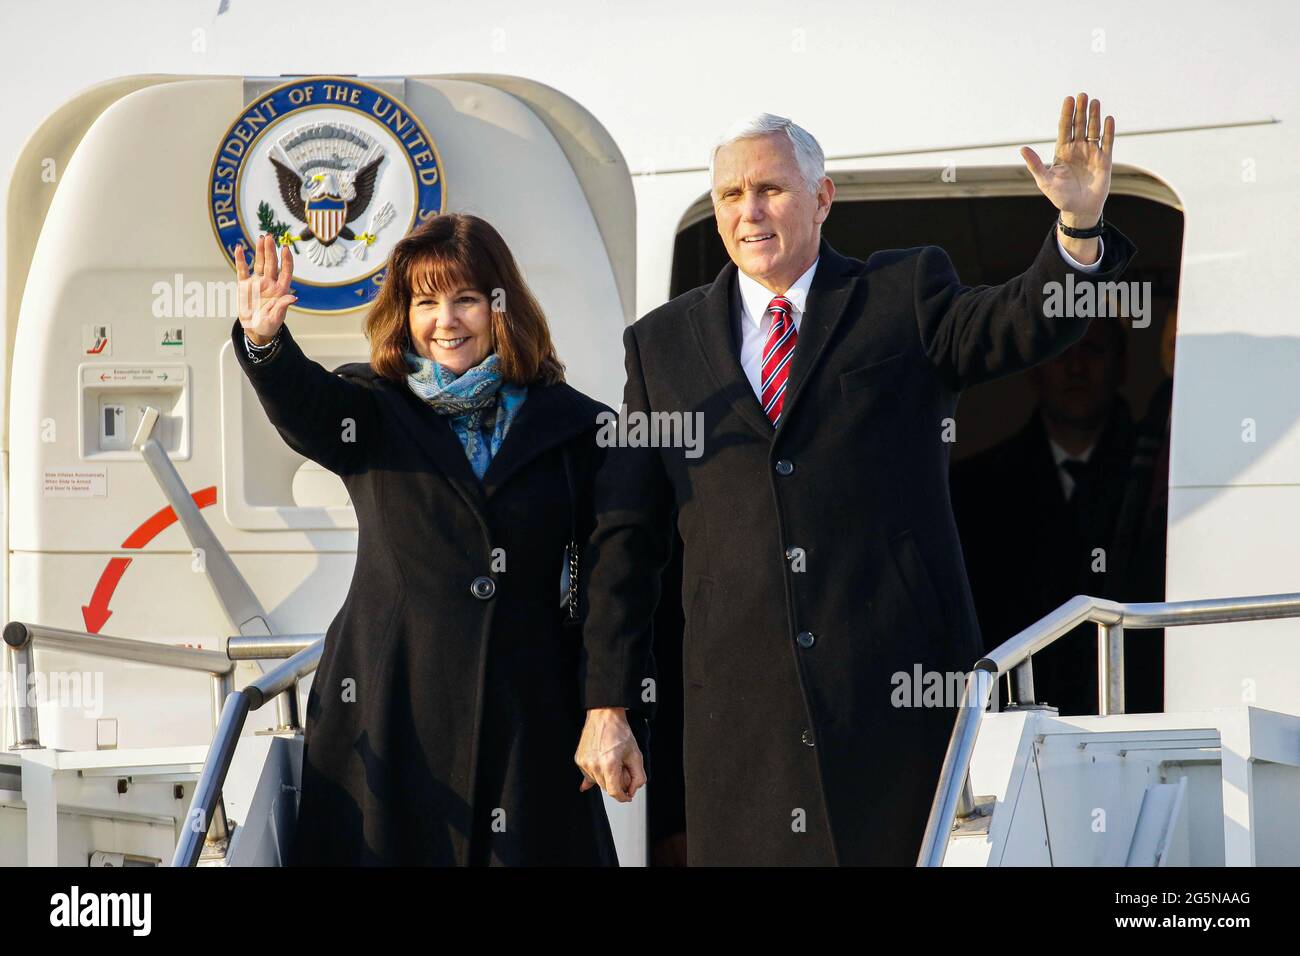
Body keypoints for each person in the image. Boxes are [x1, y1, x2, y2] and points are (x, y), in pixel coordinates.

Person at [575, 93, 1138, 865]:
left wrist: (1076, 232)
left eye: (770, 188)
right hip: (742, 723)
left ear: (822, 197)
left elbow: (1021, 322)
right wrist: (608, 701)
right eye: (731, 195)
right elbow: (626, 538)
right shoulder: (663, 346)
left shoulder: (900, 295)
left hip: (899, 703)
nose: (750, 211)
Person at [230, 214, 627, 865]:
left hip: (528, 720)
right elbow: (305, 408)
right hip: (388, 708)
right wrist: (266, 341)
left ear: (501, 307)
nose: (446, 321)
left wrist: (606, 705)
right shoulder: (372, 408)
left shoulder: (578, 427)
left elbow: (610, 583)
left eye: (466, 298)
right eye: (426, 302)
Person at [951, 316, 1141, 715]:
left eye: (1093, 350)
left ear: (1123, 366)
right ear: (1034, 368)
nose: (1076, 368)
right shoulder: (976, 489)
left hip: (1142, 714)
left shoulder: (1160, 480)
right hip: (1016, 723)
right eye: (1061, 352)